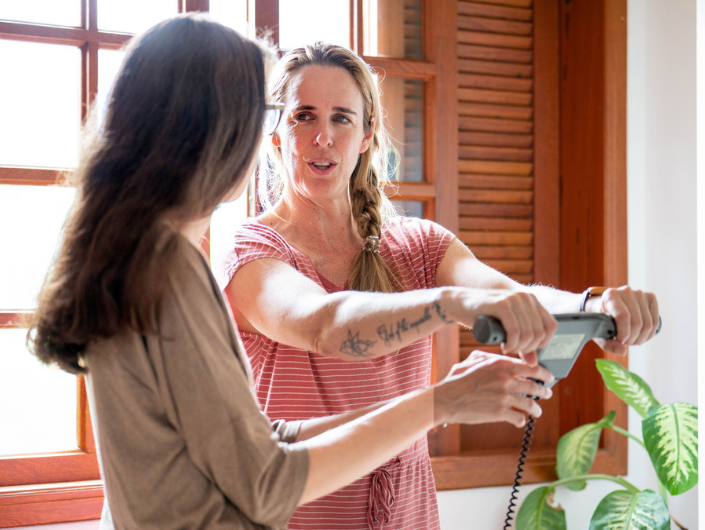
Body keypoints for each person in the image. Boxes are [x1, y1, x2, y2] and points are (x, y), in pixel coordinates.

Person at [28, 16, 558, 530]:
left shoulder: (150, 260)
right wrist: (440, 393)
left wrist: (439, 402)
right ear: (207, 130)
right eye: (277, 116)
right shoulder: (167, 268)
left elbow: (257, 440)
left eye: (340, 118)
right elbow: (268, 481)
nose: (265, 138)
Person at [216, 42, 661, 529]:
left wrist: (591, 305)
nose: (323, 136)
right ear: (277, 133)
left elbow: (506, 293)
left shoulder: (419, 244)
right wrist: (452, 304)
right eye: (304, 116)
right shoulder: (252, 250)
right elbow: (324, 324)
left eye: (342, 118)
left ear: (367, 135)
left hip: (409, 516)